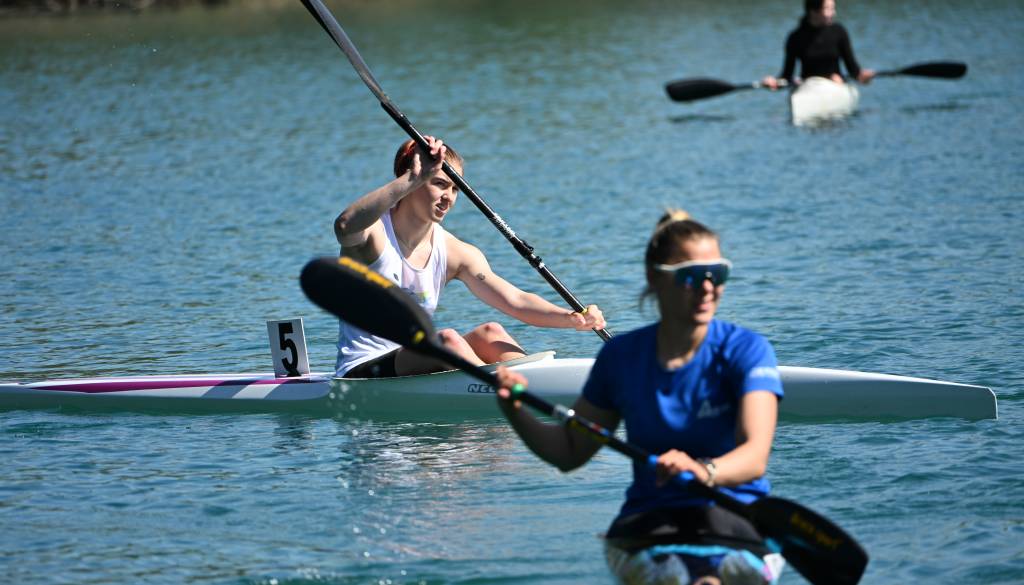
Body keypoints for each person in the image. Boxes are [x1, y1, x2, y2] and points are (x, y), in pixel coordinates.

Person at [494, 210, 785, 585]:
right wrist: (516, 409)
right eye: (692, 276)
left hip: (737, 516)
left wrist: (703, 471)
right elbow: (569, 452)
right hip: (650, 525)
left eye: (719, 274)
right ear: (655, 279)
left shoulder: (748, 351)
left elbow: (755, 456)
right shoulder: (622, 358)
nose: (708, 286)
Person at [333, 136, 605, 378]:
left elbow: (516, 301)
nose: (448, 198)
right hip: (363, 369)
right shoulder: (374, 236)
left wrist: (571, 318)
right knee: (447, 340)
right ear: (411, 181)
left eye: (455, 189)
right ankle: (504, 391)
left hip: (416, 361)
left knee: (492, 332)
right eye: (439, 184)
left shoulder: (454, 251)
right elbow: (344, 225)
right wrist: (413, 177)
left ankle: (534, 386)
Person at [762, 0, 875, 90]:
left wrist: (863, 76)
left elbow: (854, 71)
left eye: (833, 8)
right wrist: (774, 82)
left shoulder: (839, 32)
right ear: (814, 11)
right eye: (828, 9)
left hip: (836, 84)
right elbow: (786, 76)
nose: (833, 13)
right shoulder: (795, 37)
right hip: (808, 86)